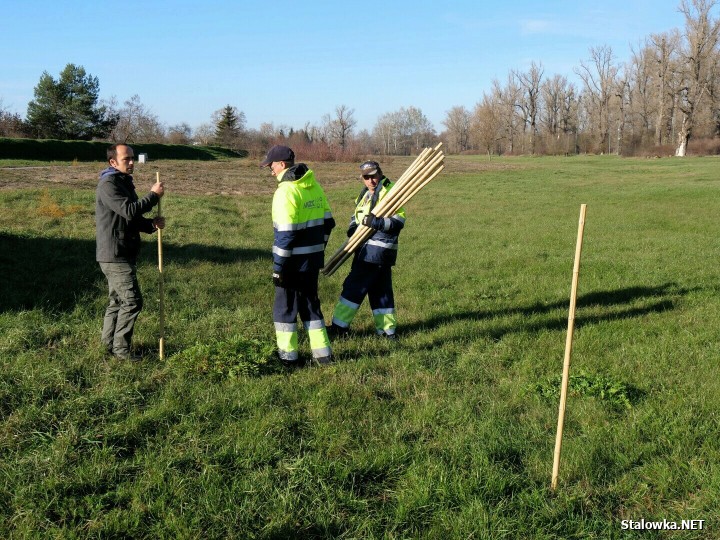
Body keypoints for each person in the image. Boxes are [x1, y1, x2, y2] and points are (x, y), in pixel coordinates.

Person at [262, 144, 335, 367]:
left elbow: (285, 235)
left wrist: (278, 267)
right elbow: (328, 223)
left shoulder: (285, 191)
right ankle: (323, 356)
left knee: (285, 309)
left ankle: (288, 358)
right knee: (311, 306)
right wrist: (317, 250)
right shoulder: (314, 186)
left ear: (282, 164)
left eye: (271, 166)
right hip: (312, 261)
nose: (270, 170)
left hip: (292, 263)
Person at [96, 143, 165, 361]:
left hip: (122, 251)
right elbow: (128, 210)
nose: (132, 162)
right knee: (132, 301)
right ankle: (121, 351)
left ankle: (107, 346)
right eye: (127, 159)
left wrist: (150, 225)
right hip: (114, 255)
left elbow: (130, 219)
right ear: (113, 162)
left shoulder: (124, 182)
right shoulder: (109, 184)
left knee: (117, 301)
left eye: (132, 158)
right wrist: (153, 196)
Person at [329, 160, 405, 339]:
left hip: (377, 250)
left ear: (380, 173)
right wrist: (353, 228)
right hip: (366, 249)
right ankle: (387, 332)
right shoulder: (364, 194)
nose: (371, 180)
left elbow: (398, 222)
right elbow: (356, 216)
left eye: (374, 176)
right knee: (381, 291)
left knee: (354, 287)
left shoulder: (391, 192)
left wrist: (377, 223)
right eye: (366, 177)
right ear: (362, 178)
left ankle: (339, 328)